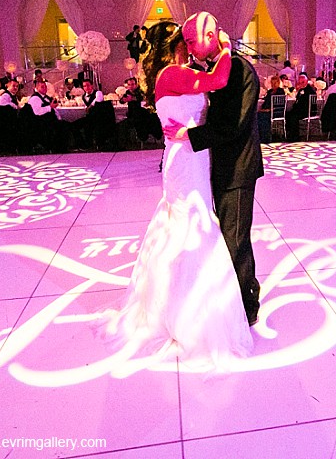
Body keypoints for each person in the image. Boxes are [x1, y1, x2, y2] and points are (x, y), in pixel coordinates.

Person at [98, 19, 252, 371]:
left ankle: (183, 302)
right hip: (185, 161)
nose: (190, 43)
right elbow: (218, 80)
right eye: (185, 39)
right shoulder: (171, 74)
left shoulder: (176, 73)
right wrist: (226, 48)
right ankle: (189, 313)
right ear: (175, 45)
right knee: (190, 226)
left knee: (188, 223)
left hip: (191, 157)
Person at [163, 11, 263, 327]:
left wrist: (188, 135)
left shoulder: (240, 71)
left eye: (193, 41)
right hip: (216, 167)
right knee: (223, 236)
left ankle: (246, 306)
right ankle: (225, 300)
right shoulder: (214, 68)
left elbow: (233, 125)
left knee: (235, 239)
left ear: (211, 36)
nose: (190, 48)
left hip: (238, 169)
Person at [286, 73, 315, 142]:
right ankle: (289, 134)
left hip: (307, 110)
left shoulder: (310, 90)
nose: (301, 83)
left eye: (303, 82)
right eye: (300, 82)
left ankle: (295, 136)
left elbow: (306, 103)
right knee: (287, 114)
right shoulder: (301, 90)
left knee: (294, 116)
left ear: (306, 81)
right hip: (299, 109)